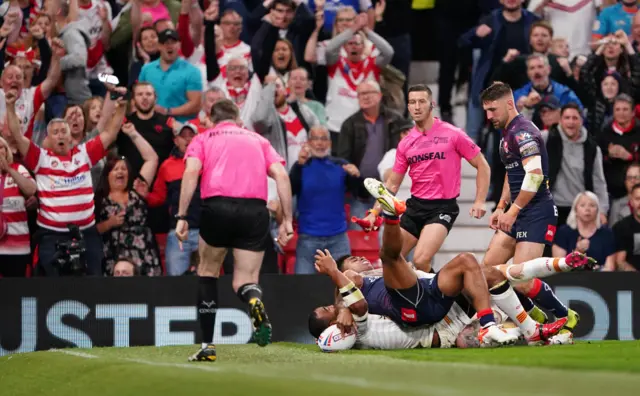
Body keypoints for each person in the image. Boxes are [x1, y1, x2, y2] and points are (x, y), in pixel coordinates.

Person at [311, 178, 591, 346]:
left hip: (432, 294)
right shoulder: (353, 319)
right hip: (422, 315)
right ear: (333, 326)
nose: (357, 261)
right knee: (391, 257)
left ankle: (500, 326)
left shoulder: (355, 289)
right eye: (328, 311)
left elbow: (348, 288)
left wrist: (339, 295)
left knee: (478, 266)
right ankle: (392, 215)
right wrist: (339, 293)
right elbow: (352, 296)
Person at [177, 99, 294, 362]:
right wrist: (287, 220)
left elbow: (191, 172)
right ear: (238, 119)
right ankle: (253, 301)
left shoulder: (204, 138)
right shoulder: (258, 140)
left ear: (211, 118)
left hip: (216, 208)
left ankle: (208, 346)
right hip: (254, 211)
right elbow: (282, 176)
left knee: (208, 271)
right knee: (245, 280)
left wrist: (182, 215)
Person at [310, 248, 593, 349]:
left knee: (498, 273)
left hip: (440, 294)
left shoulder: (393, 275)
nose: (356, 263)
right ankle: (536, 326)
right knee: (498, 275)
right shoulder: (363, 302)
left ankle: (559, 277)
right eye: (351, 265)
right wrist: (341, 305)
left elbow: (347, 294)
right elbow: (350, 297)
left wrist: (339, 304)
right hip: (440, 321)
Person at [479, 81, 579, 335]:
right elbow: (512, 172)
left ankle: (565, 315)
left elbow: (534, 177)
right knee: (488, 271)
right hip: (518, 209)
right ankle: (533, 315)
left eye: (492, 110)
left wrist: (513, 211)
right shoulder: (506, 134)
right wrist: (502, 205)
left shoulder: (522, 133)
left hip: (536, 212)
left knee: (521, 281)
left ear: (509, 104)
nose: (488, 116)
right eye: (486, 111)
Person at [362, 84, 490, 273]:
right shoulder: (406, 143)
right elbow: (392, 184)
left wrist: (480, 201)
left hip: (442, 207)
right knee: (388, 259)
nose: (417, 106)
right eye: (412, 102)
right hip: (416, 206)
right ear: (408, 107)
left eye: (422, 101)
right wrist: (374, 212)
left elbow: (482, 166)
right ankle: (416, 296)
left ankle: (439, 299)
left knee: (421, 260)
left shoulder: (453, 134)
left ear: (432, 104)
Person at [5, 85, 125, 276]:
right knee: (53, 289)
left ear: (71, 137)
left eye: (64, 131)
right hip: (51, 235)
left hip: (86, 232)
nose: (61, 134)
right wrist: (10, 106)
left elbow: (110, 133)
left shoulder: (84, 153)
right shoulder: (40, 157)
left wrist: (122, 107)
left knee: (93, 283)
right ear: (48, 139)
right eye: (56, 132)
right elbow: (17, 136)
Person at [553, 192, 616, 271]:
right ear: (575, 209)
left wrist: (597, 271)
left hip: (599, 280)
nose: (587, 209)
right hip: (569, 280)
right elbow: (559, 268)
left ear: (597, 210)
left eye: (592, 205)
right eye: (582, 205)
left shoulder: (606, 233)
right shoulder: (564, 232)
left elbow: (610, 267)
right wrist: (577, 252)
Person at [0, 136, 36, 277]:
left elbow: (31, 189)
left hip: (18, 249)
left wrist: (9, 169)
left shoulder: (18, 169)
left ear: (6, 151)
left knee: (16, 295)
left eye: (0, 147)